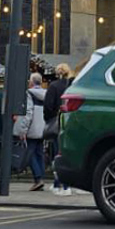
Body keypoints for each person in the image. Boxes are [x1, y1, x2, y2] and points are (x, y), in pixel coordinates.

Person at [15, 72, 48, 192]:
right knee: (39, 153)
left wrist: (23, 129)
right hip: (43, 127)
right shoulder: (46, 93)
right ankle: (41, 178)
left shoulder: (29, 94)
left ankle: (38, 178)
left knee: (30, 153)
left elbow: (28, 113)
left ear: (32, 82)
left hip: (32, 127)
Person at [43, 63, 73, 194]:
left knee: (57, 154)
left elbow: (48, 106)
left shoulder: (54, 86)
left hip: (57, 122)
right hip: (71, 122)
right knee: (67, 154)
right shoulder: (73, 86)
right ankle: (63, 185)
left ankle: (61, 185)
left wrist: (48, 119)